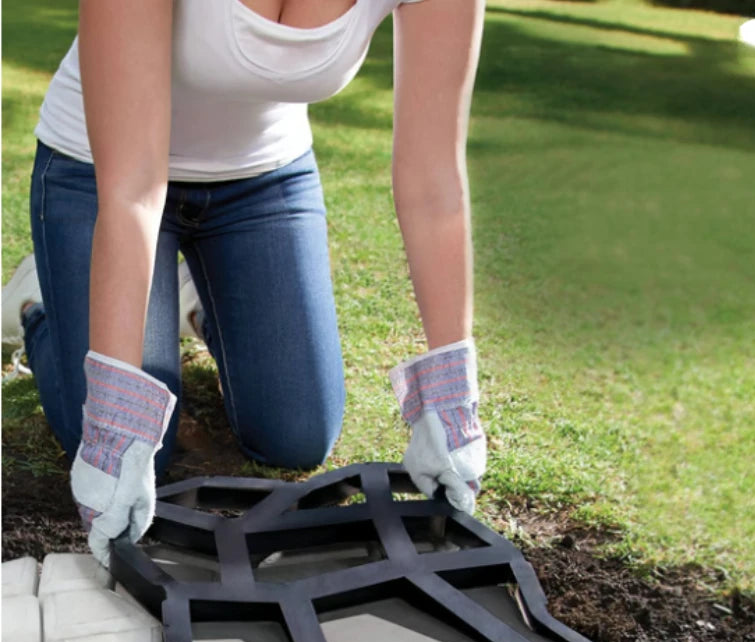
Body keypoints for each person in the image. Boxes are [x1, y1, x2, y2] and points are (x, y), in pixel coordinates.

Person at [1, 0, 487, 566]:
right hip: (101, 177)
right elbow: (132, 189)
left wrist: (451, 403)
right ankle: (40, 302)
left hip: (263, 182)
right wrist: (113, 425)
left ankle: (197, 297)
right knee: (133, 449)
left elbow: (434, 187)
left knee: (296, 436)